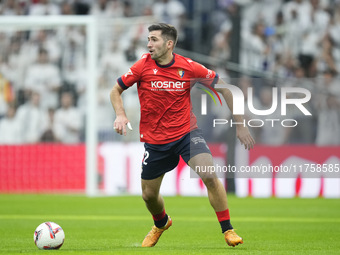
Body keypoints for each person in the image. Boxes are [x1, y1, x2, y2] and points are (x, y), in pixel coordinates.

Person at [110, 23, 255, 248]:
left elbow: (227, 89)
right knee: (149, 195)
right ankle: (161, 223)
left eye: (154, 40)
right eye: (148, 39)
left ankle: (228, 230)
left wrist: (240, 124)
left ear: (169, 44)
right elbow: (115, 90)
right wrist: (120, 114)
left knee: (209, 174)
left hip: (186, 133)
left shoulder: (189, 67)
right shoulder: (142, 66)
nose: (149, 44)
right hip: (155, 141)